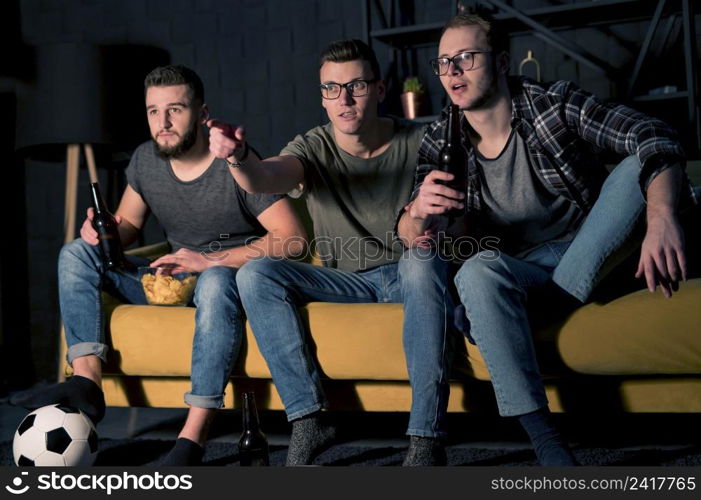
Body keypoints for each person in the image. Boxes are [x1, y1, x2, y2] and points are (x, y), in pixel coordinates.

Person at [397, 12, 697, 466]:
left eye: (466, 57)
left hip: (595, 247)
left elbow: (652, 134)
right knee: (478, 271)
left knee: (636, 167)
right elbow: (412, 238)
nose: (452, 71)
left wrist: (661, 218)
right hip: (525, 267)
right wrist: (417, 212)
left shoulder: (551, 104)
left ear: (500, 61)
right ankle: (547, 443)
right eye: (443, 62)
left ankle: (532, 308)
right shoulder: (441, 137)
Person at [10, 65, 306, 466]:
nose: (162, 123)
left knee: (217, 280)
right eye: (153, 111)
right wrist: (104, 231)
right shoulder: (147, 160)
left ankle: (193, 436)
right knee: (76, 251)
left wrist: (207, 260)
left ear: (202, 114)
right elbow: (129, 225)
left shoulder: (235, 162)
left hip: (221, 281)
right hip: (165, 279)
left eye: (175, 110)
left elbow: (291, 238)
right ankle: (86, 382)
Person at [208, 39, 454, 466]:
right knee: (255, 274)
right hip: (346, 282)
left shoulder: (421, 141)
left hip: (410, 273)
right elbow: (267, 176)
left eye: (356, 86)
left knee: (420, 261)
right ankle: (308, 419)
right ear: (322, 97)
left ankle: (425, 440)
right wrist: (239, 157)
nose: (343, 99)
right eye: (331, 89)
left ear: (379, 89)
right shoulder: (312, 146)